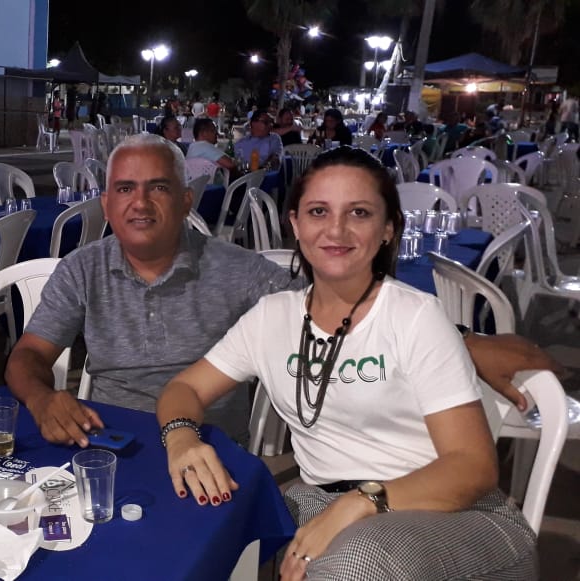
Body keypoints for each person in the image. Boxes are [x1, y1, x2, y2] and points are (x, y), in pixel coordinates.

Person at [4, 134, 554, 450]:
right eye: (125, 189)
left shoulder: (237, 270)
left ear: (187, 200)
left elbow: (339, 309)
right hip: (105, 441)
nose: (140, 203)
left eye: (158, 188)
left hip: (209, 447)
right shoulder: (82, 269)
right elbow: (28, 356)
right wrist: (43, 398)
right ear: (106, 203)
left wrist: (459, 341)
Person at [156, 147, 537, 580]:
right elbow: (184, 389)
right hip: (326, 498)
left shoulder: (415, 316)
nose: (336, 229)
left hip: (451, 512)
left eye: (359, 212)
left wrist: (364, 500)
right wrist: (181, 437)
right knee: (195, 516)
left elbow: (473, 466)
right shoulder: (271, 318)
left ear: (388, 228)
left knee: (355, 561)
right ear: (296, 224)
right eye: (318, 211)